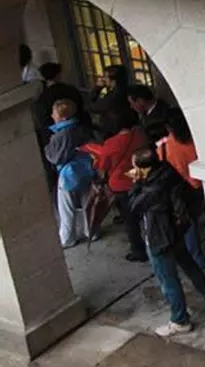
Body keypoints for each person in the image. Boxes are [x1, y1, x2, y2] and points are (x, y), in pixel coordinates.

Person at [127, 148, 205, 337]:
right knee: (188, 264)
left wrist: (136, 183)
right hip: (176, 231)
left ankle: (180, 320)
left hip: (159, 237)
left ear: (143, 169)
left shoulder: (151, 190)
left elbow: (134, 205)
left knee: (168, 280)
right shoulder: (167, 172)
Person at [87, 107, 148, 262]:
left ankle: (138, 249)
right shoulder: (140, 135)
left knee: (130, 220)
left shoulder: (111, 144)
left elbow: (103, 166)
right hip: (140, 177)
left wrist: (95, 161)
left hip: (121, 183)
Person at [158, 109, 205, 269]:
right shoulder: (199, 141)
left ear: (168, 127)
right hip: (203, 186)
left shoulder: (164, 147)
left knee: (189, 226)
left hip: (181, 191)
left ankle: (197, 259)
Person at [32, 62, 88, 191]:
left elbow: (41, 119)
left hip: (52, 138)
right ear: (58, 75)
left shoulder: (43, 98)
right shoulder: (70, 91)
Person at [46, 99, 93, 248]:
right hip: (86, 169)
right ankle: (92, 231)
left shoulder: (60, 135)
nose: (52, 116)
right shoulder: (81, 129)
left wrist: (47, 149)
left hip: (68, 174)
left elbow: (54, 158)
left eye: (54, 113)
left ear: (63, 117)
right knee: (87, 203)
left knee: (66, 208)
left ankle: (67, 238)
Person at [89, 65, 133, 135]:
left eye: (105, 77)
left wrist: (97, 88)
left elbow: (93, 107)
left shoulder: (113, 96)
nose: (103, 79)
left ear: (113, 79)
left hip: (113, 132)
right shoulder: (128, 91)